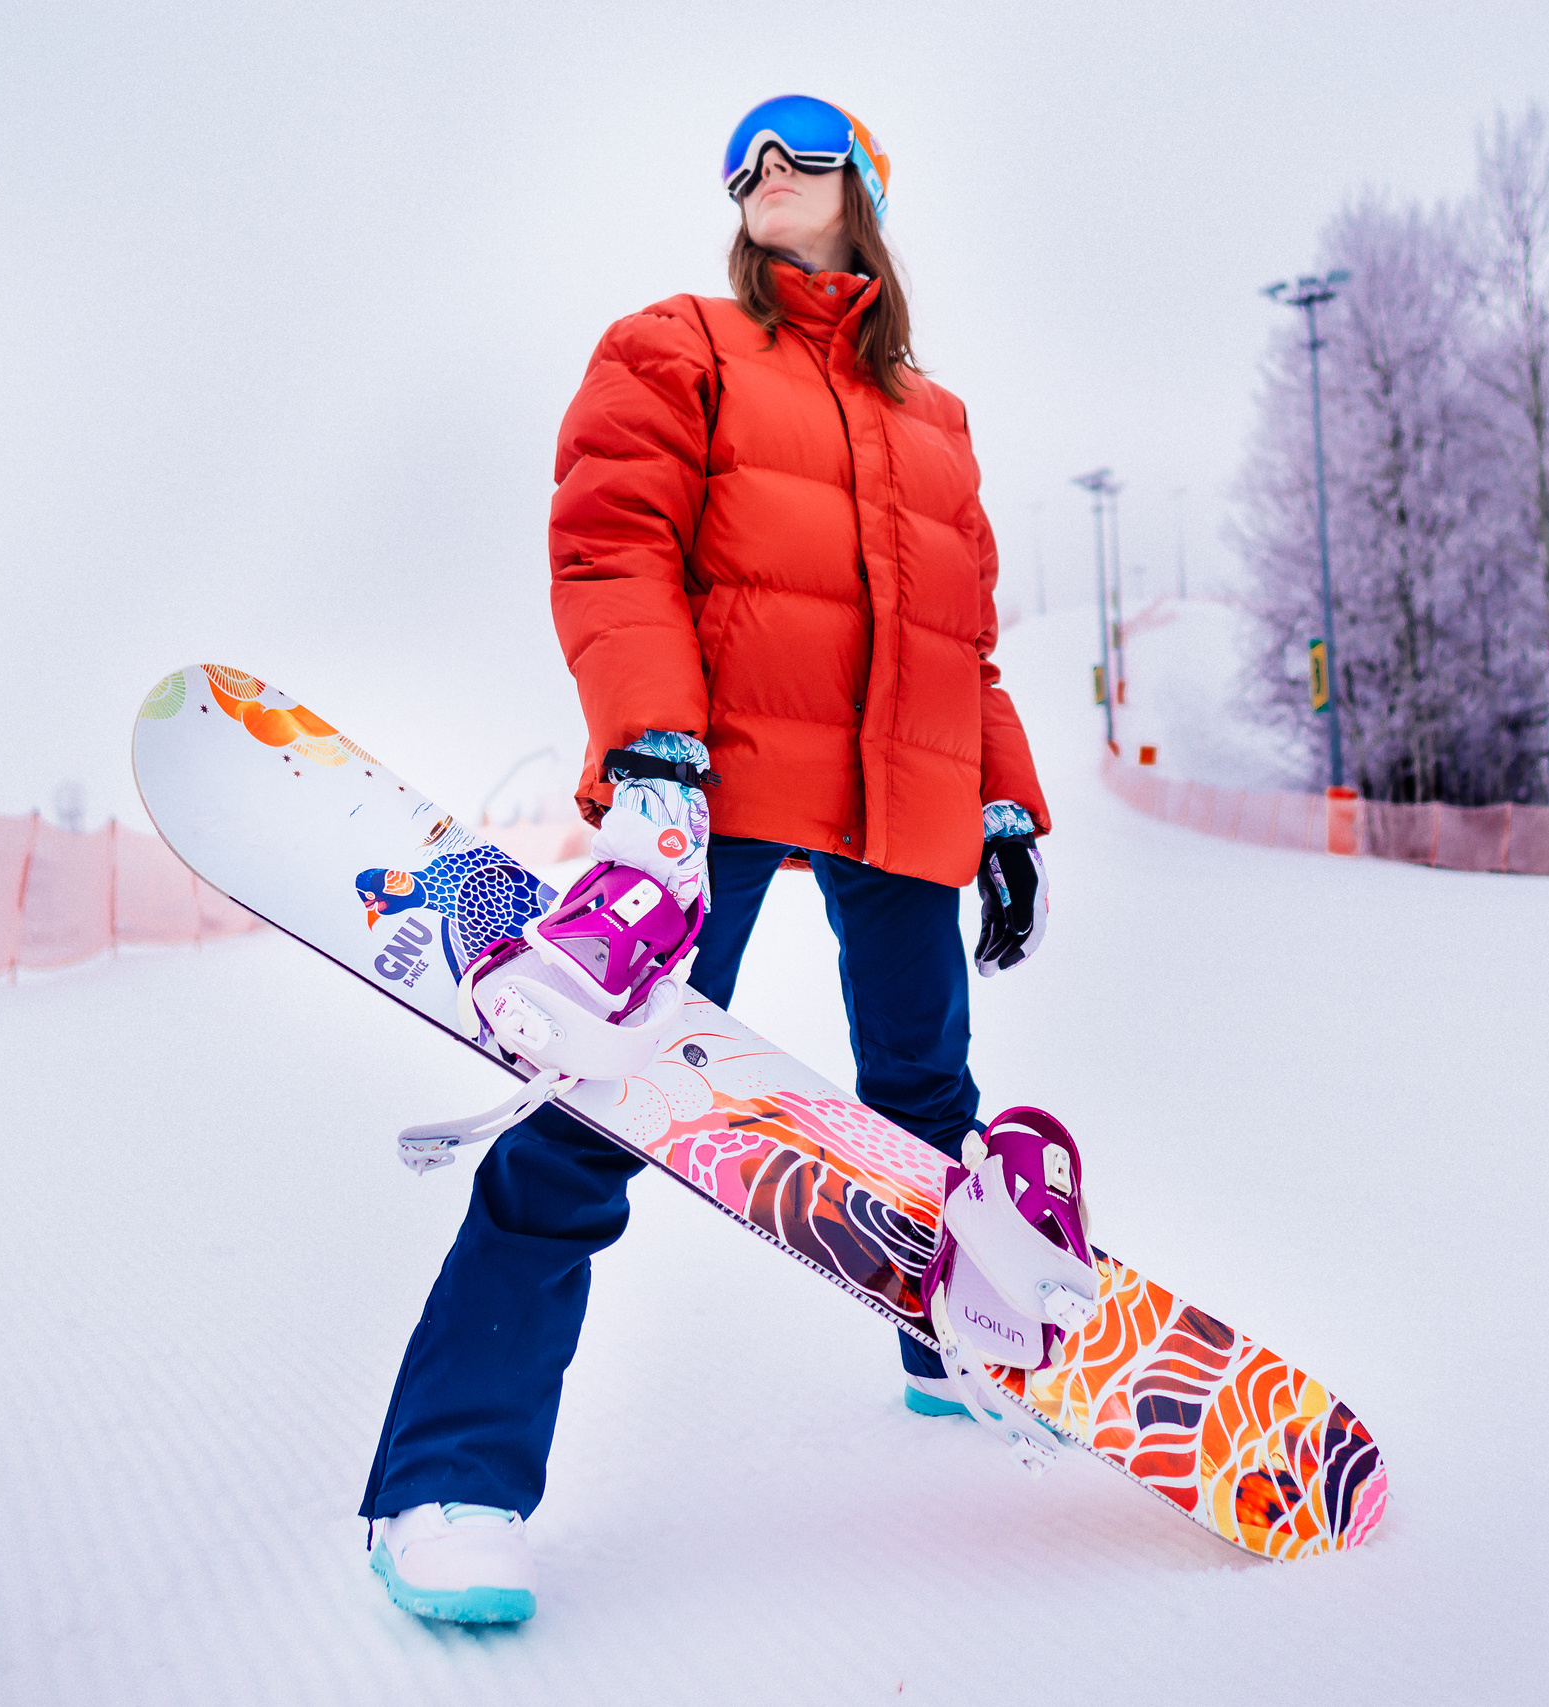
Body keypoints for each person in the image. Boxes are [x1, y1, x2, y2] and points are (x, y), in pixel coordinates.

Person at [360, 94, 1051, 1627]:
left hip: (904, 800)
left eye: (800, 145)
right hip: (722, 778)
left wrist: (1008, 813)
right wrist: (657, 752)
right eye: (743, 157)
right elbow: (611, 546)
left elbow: (969, 649)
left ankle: (944, 1342)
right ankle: (449, 1479)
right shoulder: (673, 343)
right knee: (605, 1102)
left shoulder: (935, 422)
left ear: (863, 184)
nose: (763, 171)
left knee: (926, 1096)